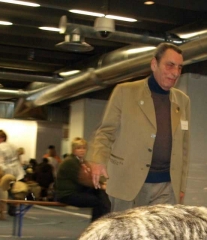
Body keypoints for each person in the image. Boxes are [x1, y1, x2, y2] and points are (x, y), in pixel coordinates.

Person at [90, 42, 190, 212]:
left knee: (160, 236)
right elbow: (105, 132)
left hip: (167, 185)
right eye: (170, 65)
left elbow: (185, 146)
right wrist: (98, 160)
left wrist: (180, 186)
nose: (175, 73)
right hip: (129, 182)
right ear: (154, 64)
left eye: (179, 68)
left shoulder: (183, 101)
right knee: (127, 235)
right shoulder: (124, 92)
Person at [55, 138, 111, 222]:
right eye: (79, 148)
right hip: (67, 194)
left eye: (84, 148)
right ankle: (98, 223)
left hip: (77, 191)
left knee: (101, 195)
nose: (82, 150)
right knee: (99, 200)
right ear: (73, 149)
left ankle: (100, 222)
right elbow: (84, 179)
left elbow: (90, 177)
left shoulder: (82, 162)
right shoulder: (70, 162)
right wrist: (102, 185)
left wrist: (102, 184)